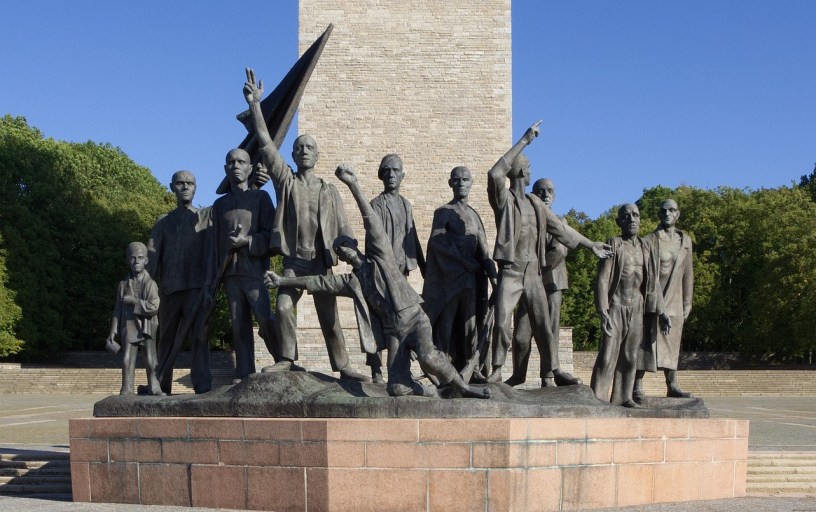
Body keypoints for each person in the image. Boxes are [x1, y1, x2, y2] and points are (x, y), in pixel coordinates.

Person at [265, 164, 490, 400]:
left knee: (429, 357)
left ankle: (465, 389)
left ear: (356, 248)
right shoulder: (353, 281)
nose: (346, 254)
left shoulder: (382, 257)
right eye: (342, 254)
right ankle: (429, 391)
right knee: (396, 388)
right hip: (395, 331)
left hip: (413, 319)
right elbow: (318, 282)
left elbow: (371, 221)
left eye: (348, 249)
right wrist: (281, 280)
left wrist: (353, 185)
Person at [243, 68, 367, 381]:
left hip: (321, 263)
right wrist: (256, 105)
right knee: (284, 307)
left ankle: (343, 366)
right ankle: (286, 358)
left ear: (317, 154)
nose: (304, 151)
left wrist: (352, 254)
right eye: (299, 148)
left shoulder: (330, 190)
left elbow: (344, 231)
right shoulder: (286, 182)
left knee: (330, 318)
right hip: (294, 263)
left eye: (309, 147)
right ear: (294, 155)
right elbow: (267, 146)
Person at [486, 121, 613, 385]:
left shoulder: (536, 204)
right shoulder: (504, 200)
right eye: (529, 167)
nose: (532, 172)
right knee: (501, 322)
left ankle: (554, 371)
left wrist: (590, 245)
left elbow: (561, 230)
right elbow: (495, 173)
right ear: (520, 170)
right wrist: (525, 140)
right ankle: (497, 368)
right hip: (511, 270)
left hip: (533, 272)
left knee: (543, 325)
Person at [209, 145, 277, 383]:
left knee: (266, 318)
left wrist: (246, 241)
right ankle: (245, 373)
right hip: (230, 273)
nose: (236, 166)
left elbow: (272, 236)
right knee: (238, 326)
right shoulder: (220, 206)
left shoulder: (261, 198)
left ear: (250, 168)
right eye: (231, 163)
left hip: (254, 270)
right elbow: (214, 244)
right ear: (225, 169)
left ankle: (283, 361)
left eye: (241, 162)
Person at [422, 166, 496, 379]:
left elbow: (485, 252)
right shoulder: (444, 212)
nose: (461, 183)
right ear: (450, 183)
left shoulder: (474, 215)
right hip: (449, 279)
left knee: (469, 324)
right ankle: (440, 368)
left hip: (471, 279)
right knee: (446, 323)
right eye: (457, 180)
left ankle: (471, 369)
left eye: (465, 179)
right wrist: (462, 260)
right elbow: (435, 242)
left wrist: (495, 279)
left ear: (471, 183)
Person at [590, 204, 667, 407]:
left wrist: (662, 311)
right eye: (626, 216)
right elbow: (603, 279)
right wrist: (603, 310)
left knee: (631, 356)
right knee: (608, 355)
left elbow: (654, 282)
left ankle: (624, 397)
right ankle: (597, 399)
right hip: (616, 306)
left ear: (640, 219)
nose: (631, 219)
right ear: (619, 221)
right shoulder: (614, 244)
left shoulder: (645, 248)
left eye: (635, 215)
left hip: (637, 308)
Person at [147, 171, 212, 395]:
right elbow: (152, 255)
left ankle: (202, 385)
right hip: (170, 288)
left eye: (190, 183)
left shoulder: (204, 218)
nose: (185, 187)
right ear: (172, 187)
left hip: (197, 288)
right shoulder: (164, 221)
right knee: (166, 337)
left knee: (199, 337)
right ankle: (161, 383)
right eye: (180, 183)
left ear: (195, 187)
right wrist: (147, 285)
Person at [367, 154, 426, 383]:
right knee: (378, 320)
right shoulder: (376, 205)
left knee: (402, 321)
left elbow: (414, 237)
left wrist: (423, 265)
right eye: (387, 170)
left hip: (401, 275)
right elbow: (372, 240)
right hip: (381, 273)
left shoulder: (406, 205)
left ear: (402, 175)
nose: (391, 175)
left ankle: (400, 370)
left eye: (395, 170)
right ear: (381, 175)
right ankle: (375, 369)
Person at [506, 178, 570, 387]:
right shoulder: (528, 217)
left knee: (549, 331)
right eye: (540, 191)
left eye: (549, 190)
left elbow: (560, 250)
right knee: (521, 335)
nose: (545, 194)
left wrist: (538, 272)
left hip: (551, 284)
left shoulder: (560, 220)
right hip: (527, 282)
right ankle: (518, 374)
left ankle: (548, 376)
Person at [635, 199, 694, 400]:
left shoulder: (685, 241)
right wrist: (659, 307)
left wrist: (688, 302)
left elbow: (688, 274)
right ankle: (637, 385)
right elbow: (648, 275)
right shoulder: (649, 241)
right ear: (658, 215)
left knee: (672, 342)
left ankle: (672, 384)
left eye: (672, 210)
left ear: (678, 214)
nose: (667, 213)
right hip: (652, 297)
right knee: (645, 341)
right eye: (663, 210)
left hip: (676, 301)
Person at [105, 242, 163, 396]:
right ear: (127, 260)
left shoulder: (151, 283)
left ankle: (154, 386)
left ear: (146, 261)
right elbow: (117, 309)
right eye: (132, 258)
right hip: (128, 324)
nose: (136, 261)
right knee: (126, 359)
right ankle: (127, 388)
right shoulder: (122, 285)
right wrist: (113, 330)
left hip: (148, 324)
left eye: (140, 258)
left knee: (151, 359)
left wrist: (134, 302)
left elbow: (154, 306)